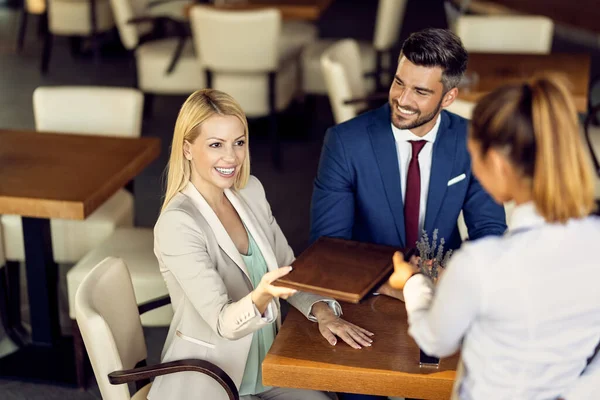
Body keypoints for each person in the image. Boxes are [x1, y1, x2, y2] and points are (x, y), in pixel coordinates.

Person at [148, 89, 374, 400]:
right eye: (216, 145)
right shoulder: (178, 223)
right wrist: (262, 295)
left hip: (270, 367)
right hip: (214, 378)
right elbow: (222, 322)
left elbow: (287, 266)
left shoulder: (250, 191)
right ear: (187, 149)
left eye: (238, 143)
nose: (231, 158)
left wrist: (322, 311)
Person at [391, 76, 600, 399]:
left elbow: (435, 340)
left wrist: (413, 283)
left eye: (474, 156)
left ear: (499, 165)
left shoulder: (482, 263)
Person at [310, 28, 507, 306]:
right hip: (370, 291)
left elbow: (489, 229)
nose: (402, 99)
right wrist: (390, 285)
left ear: (448, 98)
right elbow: (328, 246)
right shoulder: (344, 143)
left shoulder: (472, 142)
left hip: (445, 289)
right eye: (399, 83)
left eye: (420, 91)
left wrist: (458, 276)